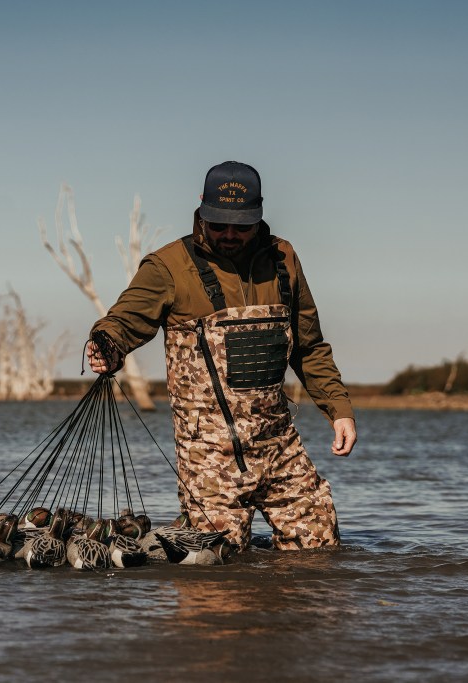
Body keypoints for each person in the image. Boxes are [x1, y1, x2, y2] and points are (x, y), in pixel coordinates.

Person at [87, 161, 356, 552]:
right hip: (208, 458)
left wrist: (339, 409)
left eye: (241, 226)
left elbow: (310, 346)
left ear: (259, 214)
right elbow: (125, 319)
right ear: (202, 210)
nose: (229, 235)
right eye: (219, 225)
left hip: (279, 444)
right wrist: (107, 344)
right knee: (217, 575)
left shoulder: (283, 259)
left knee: (320, 551)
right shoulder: (168, 266)